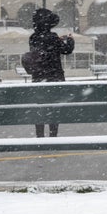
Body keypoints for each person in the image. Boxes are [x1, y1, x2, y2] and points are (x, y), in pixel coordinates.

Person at [28, 8, 75, 138]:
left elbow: (40, 52)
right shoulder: (53, 37)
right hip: (54, 78)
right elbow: (67, 50)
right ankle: (53, 135)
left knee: (40, 108)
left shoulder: (33, 38)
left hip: (38, 79)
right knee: (53, 108)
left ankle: (39, 136)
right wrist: (70, 40)